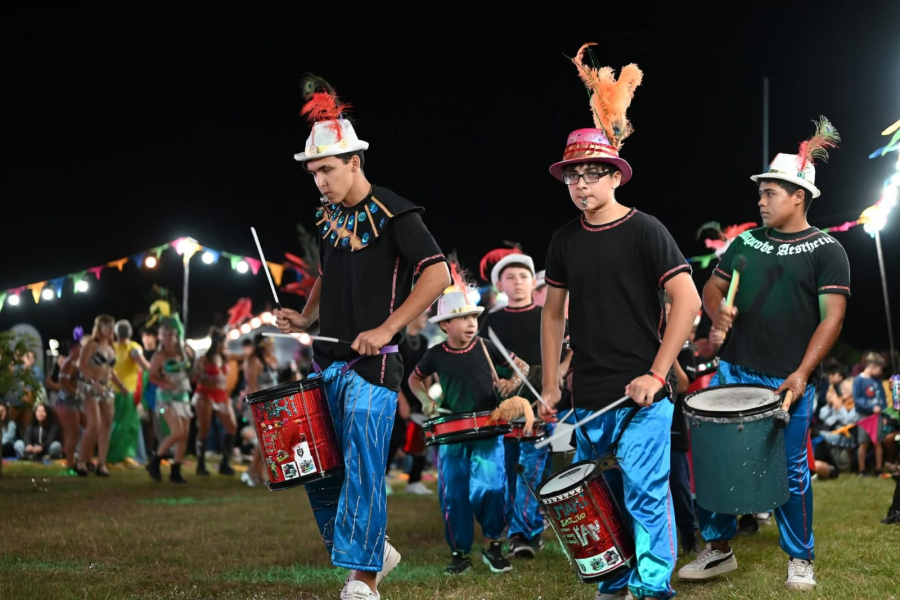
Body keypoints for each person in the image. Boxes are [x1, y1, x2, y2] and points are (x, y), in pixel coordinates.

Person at [274, 76, 449, 600]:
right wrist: (306, 320)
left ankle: (365, 578)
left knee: (365, 469)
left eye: (327, 169)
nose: (320, 181)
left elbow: (437, 274)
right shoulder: (329, 218)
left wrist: (388, 328)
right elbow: (328, 273)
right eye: (313, 173)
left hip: (376, 366)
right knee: (318, 469)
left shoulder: (397, 211)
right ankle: (374, 550)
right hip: (327, 361)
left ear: (355, 161)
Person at [538, 45, 701, 600]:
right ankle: (612, 580)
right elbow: (553, 312)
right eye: (573, 176)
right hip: (589, 392)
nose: (581, 185)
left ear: (615, 176)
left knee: (646, 490)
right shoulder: (563, 240)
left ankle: (652, 587)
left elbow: (688, 301)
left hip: (643, 391)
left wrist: (657, 375)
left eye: (592, 174)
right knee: (591, 492)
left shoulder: (646, 230)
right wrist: (550, 383)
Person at [679, 117, 849, 592]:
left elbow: (831, 319)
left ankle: (800, 557)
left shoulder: (828, 250)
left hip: (786, 379)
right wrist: (718, 316)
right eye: (761, 191)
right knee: (715, 459)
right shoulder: (745, 242)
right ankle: (717, 549)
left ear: (799, 195)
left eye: (771, 191)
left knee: (790, 468)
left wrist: (801, 373)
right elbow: (710, 290)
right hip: (734, 369)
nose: (761, 199)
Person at [409, 280, 528, 576]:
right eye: (463, 318)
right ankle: (459, 553)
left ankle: (492, 547)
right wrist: (426, 401)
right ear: (446, 325)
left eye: (474, 317)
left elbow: (522, 368)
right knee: (454, 493)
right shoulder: (435, 354)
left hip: (488, 429)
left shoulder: (486, 347)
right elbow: (414, 379)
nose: (471, 323)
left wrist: (510, 384)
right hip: (451, 433)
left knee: (492, 487)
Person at [478, 248, 550, 559]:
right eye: (510, 277)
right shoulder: (488, 322)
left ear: (533, 282)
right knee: (504, 470)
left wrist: (546, 381)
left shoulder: (548, 317)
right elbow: (481, 362)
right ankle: (513, 525)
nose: (518, 282)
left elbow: (563, 355)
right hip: (501, 408)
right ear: (500, 286)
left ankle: (526, 533)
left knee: (530, 469)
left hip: (539, 405)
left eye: (524, 276)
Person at [77, 315, 128, 476]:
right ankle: (81, 461)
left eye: (112, 327)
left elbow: (111, 371)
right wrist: (94, 383)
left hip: (107, 387)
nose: (110, 330)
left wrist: (121, 385)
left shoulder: (111, 347)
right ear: (98, 329)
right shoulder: (92, 345)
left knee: (106, 425)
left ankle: (101, 463)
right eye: (107, 327)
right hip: (90, 386)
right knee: (94, 423)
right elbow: (83, 365)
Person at [146, 317, 193, 484]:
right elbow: (151, 376)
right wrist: (165, 383)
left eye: (171, 334)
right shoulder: (159, 355)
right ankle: (155, 461)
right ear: (160, 336)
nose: (167, 337)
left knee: (184, 435)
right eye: (164, 334)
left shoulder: (183, 352)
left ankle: (176, 470)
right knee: (177, 432)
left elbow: (188, 372)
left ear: (176, 335)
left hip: (183, 396)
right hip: (165, 398)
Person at [192, 327, 240, 476]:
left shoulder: (225, 357)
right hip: (205, 394)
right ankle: (200, 464)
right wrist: (205, 378)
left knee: (231, 426)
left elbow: (242, 356)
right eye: (223, 342)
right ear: (217, 343)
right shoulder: (204, 359)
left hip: (221, 395)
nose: (224, 345)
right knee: (204, 429)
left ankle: (225, 462)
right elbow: (195, 376)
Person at [396, 310, 432, 495]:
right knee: (394, 438)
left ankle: (415, 481)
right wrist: (401, 400)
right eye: (424, 314)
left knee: (420, 437)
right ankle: (384, 477)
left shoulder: (424, 342)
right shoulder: (398, 340)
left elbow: (425, 373)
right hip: (396, 396)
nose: (426, 318)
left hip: (417, 398)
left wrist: (426, 398)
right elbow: (392, 373)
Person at [108, 320, 150, 465]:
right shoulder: (133, 348)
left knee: (119, 424)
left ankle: (133, 455)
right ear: (130, 333)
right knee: (127, 425)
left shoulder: (111, 348)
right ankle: (126, 455)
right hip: (126, 393)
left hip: (112, 391)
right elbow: (144, 366)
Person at [854, 352, 892, 475]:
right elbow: (857, 399)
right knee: (863, 442)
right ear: (872, 366)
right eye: (880, 369)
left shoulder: (877, 381)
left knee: (878, 442)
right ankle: (862, 469)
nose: (881, 372)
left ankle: (878, 468)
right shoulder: (859, 380)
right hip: (864, 416)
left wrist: (884, 413)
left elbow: (883, 399)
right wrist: (871, 407)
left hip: (878, 416)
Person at [54, 336, 84, 474]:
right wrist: (76, 393)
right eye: (80, 347)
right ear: (74, 349)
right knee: (73, 433)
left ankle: (78, 461)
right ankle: (70, 464)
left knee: (77, 431)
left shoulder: (74, 363)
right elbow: (63, 382)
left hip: (71, 401)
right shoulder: (69, 363)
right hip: (66, 402)